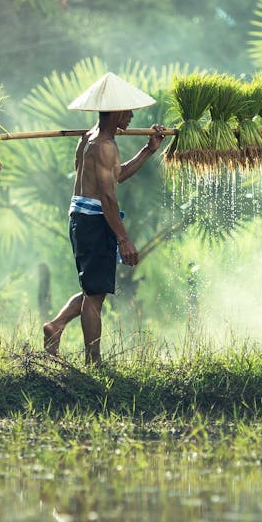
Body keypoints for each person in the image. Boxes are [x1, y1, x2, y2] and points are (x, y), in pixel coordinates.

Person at [42, 72, 166, 366]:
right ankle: (93, 362)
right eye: (128, 110)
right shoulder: (105, 146)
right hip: (94, 220)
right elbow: (109, 198)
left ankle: (55, 326)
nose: (132, 115)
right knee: (96, 297)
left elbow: (116, 175)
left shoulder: (89, 139)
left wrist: (148, 150)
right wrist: (124, 239)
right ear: (115, 112)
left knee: (92, 289)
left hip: (81, 217)